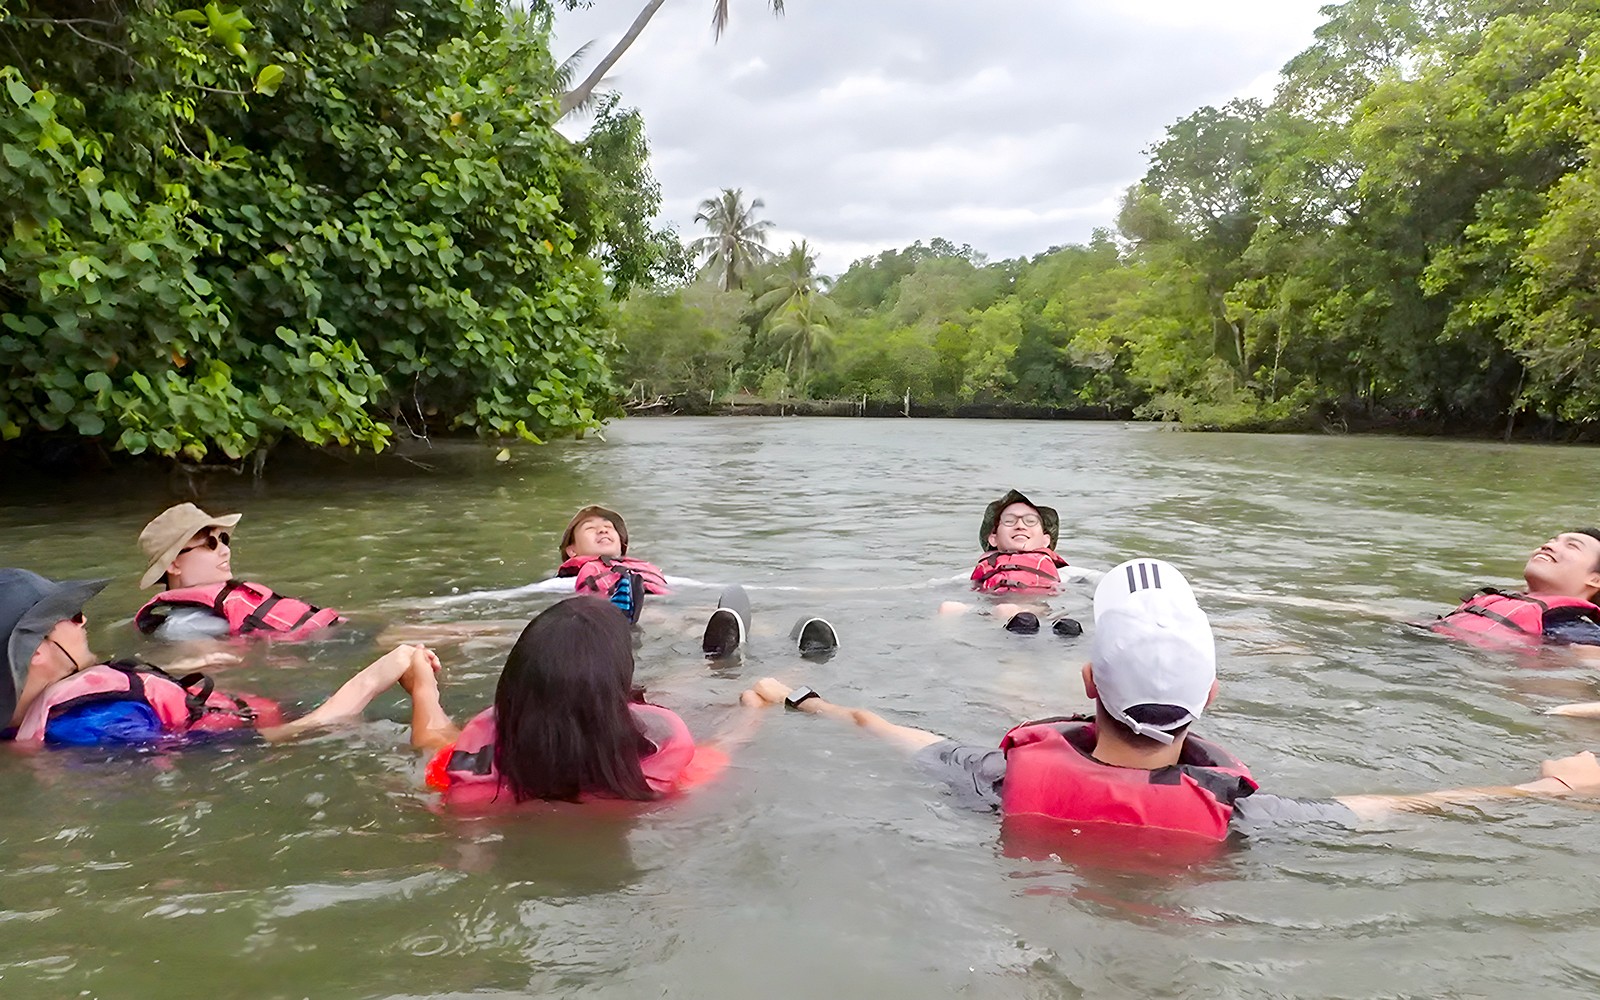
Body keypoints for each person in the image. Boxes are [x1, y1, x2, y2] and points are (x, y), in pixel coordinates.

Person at [746, 558, 1600, 850]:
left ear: (1088, 687)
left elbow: (892, 730)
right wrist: (1545, 790)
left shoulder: (1001, 780)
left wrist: (800, 699)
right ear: (1212, 698)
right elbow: (1395, 805)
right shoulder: (1239, 818)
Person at [2, 568, 435, 746]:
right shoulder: (101, 725)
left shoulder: (41, 723)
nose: (83, 622)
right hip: (285, 722)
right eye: (71, 617)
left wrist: (176, 675)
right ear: (38, 650)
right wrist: (371, 680)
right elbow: (275, 743)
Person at [411, 596, 744, 808]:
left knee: (437, 738)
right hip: (625, 775)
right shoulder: (664, 739)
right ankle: (746, 684)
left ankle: (420, 678)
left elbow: (462, 813)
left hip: (511, 770)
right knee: (725, 739)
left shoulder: (486, 731)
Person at [133, 503, 342, 640]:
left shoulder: (232, 603)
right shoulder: (183, 628)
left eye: (224, 540)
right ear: (174, 564)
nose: (225, 551)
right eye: (210, 544)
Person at [1422, 530, 1600, 647]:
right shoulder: (1498, 602)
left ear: (1595, 579)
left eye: (1572, 546)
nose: (1548, 545)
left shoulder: (1579, 633)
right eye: (1552, 540)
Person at [940, 489, 1080, 636]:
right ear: (993, 538)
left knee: (1006, 610)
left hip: (1038, 610)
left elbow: (1091, 580)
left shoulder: (1063, 573)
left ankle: (1014, 657)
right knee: (948, 608)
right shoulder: (986, 567)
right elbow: (954, 584)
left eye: (1030, 521)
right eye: (1009, 521)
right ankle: (949, 653)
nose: (1020, 525)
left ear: (1046, 540)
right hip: (987, 608)